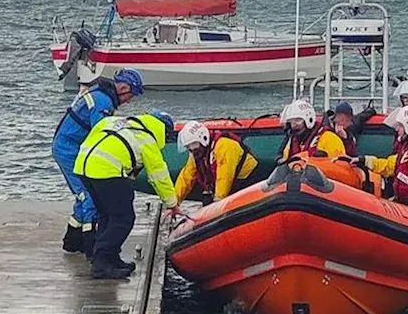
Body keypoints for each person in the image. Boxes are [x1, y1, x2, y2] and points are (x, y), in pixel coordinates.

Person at [73, 111, 180, 279]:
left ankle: (110, 259)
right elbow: (159, 176)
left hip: (82, 167)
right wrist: (172, 203)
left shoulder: (114, 122)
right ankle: (101, 264)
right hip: (107, 172)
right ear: (164, 131)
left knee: (106, 215)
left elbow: (93, 136)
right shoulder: (147, 139)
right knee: (123, 218)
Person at [50, 68, 145, 258]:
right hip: (69, 149)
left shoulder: (100, 94)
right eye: (131, 95)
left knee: (82, 196)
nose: (129, 100)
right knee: (88, 197)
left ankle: (72, 240)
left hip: (74, 147)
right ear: (124, 88)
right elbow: (102, 133)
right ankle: (90, 245)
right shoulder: (103, 102)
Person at [173, 121, 259, 205]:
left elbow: (225, 176)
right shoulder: (197, 154)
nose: (191, 149)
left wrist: (218, 201)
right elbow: (186, 177)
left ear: (203, 138)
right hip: (231, 183)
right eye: (188, 147)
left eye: (193, 144)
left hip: (248, 179)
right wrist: (174, 203)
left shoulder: (224, 146)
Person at [279, 98, 348, 161]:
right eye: (291, 121)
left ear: (309, 119)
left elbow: (341, 166)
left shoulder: (329, 139)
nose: (294, 125)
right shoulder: (290, 142)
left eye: (297, 120)